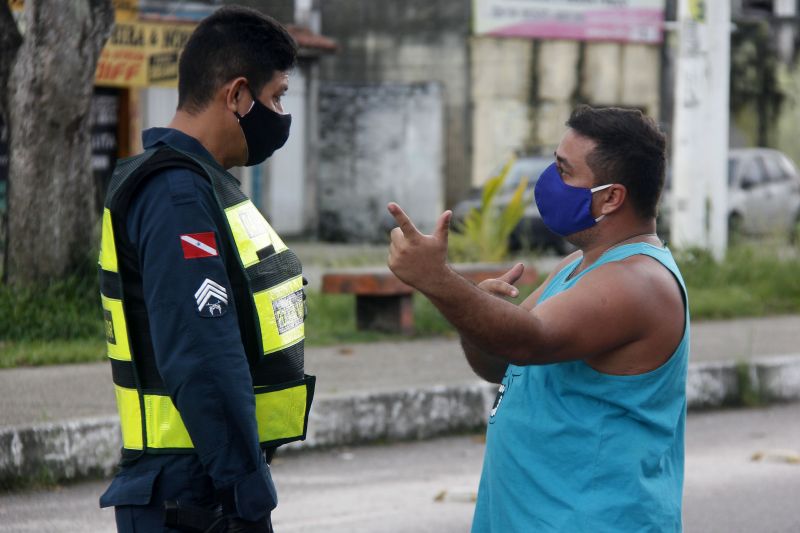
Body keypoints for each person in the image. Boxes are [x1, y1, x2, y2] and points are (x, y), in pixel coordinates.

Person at [387, 105, 687, 532]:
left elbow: (528, 341)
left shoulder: (639, 281)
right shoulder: (579, 266)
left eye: (564, 171)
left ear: (611, 196)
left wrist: (438, 281)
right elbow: (501, 361)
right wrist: (475, 313)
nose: (548, 181)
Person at [97, 7, 315, 532]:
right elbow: (202, 352)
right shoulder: (177, 195)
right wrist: (245, 491)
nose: (281, 114)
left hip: (201, 484)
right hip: (192, 495)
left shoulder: (200, 186)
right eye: (276, 97)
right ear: (237, 95)